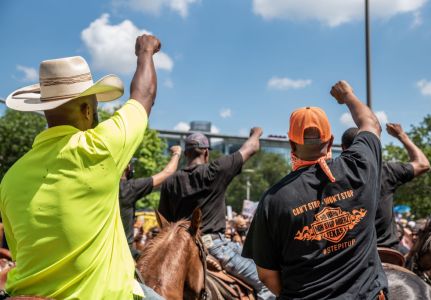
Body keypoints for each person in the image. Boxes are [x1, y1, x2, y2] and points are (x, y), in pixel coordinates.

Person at [0, 34, 163, 299]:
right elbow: (144, 95)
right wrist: (145, 52)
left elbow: (20, 252)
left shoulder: (10, 178)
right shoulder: (99, 148)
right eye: (97, 109)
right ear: (87, 110)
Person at [243, 81, 388, 299]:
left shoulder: (274, 199)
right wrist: (348, 96)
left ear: (292, 145)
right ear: (330, 142)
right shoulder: (359, 166)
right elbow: (371, 124)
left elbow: (266, 275)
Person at [158, 130, 275, 299]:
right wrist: (255, 133)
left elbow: (165, 224)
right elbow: (250, 148)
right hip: (214, 246)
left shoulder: (170, 182)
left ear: (186, 154)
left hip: (180, 248)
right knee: (267, 283)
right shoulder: (215, 170)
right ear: (206, 152)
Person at [341, 123, 430, 253]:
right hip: (389, 250)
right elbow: (423, 164)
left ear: (343, 148)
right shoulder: (386, 171)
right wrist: (401, 135)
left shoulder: (334, 176)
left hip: (353, 254)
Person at [120, 145, 182, 259]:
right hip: (123, 254)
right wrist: (176, 153)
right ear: (128, 167)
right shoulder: (129, 188)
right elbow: (167, 173)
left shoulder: (98, 187)